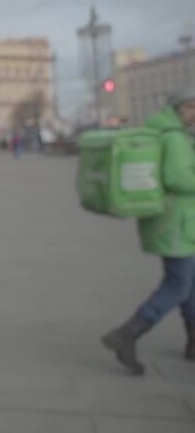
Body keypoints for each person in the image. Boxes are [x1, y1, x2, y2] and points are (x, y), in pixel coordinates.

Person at [101, 87, 195, 375]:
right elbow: (177, 178)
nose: (194, 113)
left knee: (190, 283)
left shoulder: (165, 131)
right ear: (179, 108)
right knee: (178, 285)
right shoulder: (174, 137)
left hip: (174, 222)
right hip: (179, 224)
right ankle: (127, 334)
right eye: (191, 107)